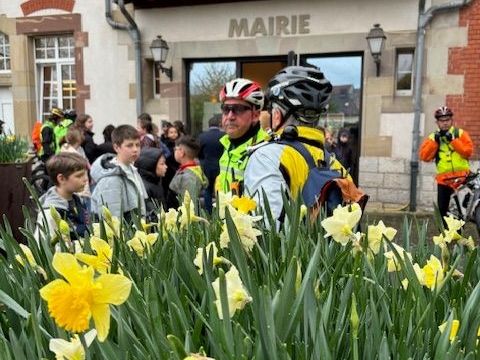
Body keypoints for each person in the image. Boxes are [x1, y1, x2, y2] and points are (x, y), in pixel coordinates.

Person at [244, 66, 358, 223]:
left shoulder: (267, 157)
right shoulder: (336, 165)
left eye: (271, 111)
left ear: (277, 115)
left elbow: (264, 231)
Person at [419, 106, 473, 219]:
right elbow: (424, 157)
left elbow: (468, 152)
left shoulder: (460, 133)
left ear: (451, 120)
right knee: (442, 212)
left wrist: (453, 141)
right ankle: (444, 235)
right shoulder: (433, 137)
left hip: (462, 179)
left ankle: (459, 234)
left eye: (447, 120)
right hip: (444, 181)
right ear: (437, 122)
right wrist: (435, 143)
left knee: (463, 212)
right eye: (442, 121)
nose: (445, 123)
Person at [217, 78, 268, 195]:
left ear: (256, 115)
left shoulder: (264, 151)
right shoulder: (228, 145)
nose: (230, 116)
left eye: (238, 109)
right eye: (226, 109)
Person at [90, 125, 147, 220]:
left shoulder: (132, 169)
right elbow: (112, 220)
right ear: (116, 147)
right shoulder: (111, 178)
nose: (135, 149)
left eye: (137, 145)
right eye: (129, 145)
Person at [36, 152, 89, 241]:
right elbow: (44, 246)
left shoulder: (77, 201)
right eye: (79, 176)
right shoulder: (49, 213)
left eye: (85, 174)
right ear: (61, 178)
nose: (85, 179)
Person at [168, 135, 208, 209]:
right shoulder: (192, 170)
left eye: (175, 149)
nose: (174, 151)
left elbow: (189, 208)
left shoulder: (188, 178)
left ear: (182, 152)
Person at [198, 114, 225, 213]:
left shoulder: (202, 137)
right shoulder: (224, 136)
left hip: (207, 167)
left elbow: (199, 153)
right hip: (220, 167)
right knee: (220, 190)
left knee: (208, 190)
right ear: (219, 124)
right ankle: (220, 210)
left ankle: (208, 211)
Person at [135, 147, 168, 214]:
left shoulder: (156, 181)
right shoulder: (144, 188)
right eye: (162, 164)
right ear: (150, 166)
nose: (166, 166)